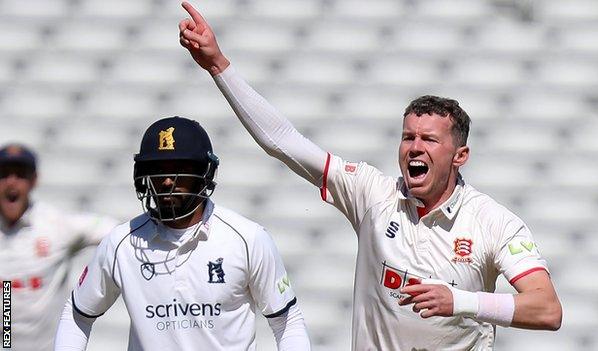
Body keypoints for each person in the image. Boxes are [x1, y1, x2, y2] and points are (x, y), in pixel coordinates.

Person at [177, 2, 563, 350]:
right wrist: (217, 65)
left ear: (460, 155)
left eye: (429, 139)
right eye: (408, 136)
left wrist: (459, 301)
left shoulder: (493, 222)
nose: (415, 147)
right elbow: (283, 141)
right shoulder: (372, 193)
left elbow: (547, 310)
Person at [54, 116, 311, 350]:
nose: (167, 181)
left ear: (203, 174)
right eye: (158, 169)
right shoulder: (121, 243)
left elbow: (286, 322)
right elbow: (77, 315)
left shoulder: (248, 238)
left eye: (179, 168)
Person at [0, 143, 118, 351]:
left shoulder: (56, 226)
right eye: (4, 174)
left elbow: (115, 231)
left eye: (20, 175)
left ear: (34, 180)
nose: (11, 182)